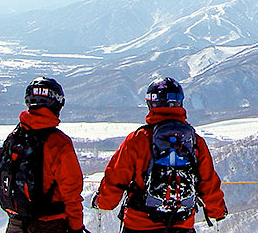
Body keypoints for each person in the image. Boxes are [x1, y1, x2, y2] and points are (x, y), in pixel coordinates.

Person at [93, 77, 227, 233]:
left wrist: (103, 202)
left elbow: (116, 177)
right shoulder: (195, 141)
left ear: (151, 103)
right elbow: (207, 182)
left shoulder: (138, 139)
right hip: (182, 224)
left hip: (140, 223)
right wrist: (217, 211)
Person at [0, 77, 88, 233]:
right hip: (50, 225)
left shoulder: (15, 135)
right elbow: (71, 193)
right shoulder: (58, 142)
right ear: (57, 104)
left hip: (15, 223)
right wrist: (76, 227)